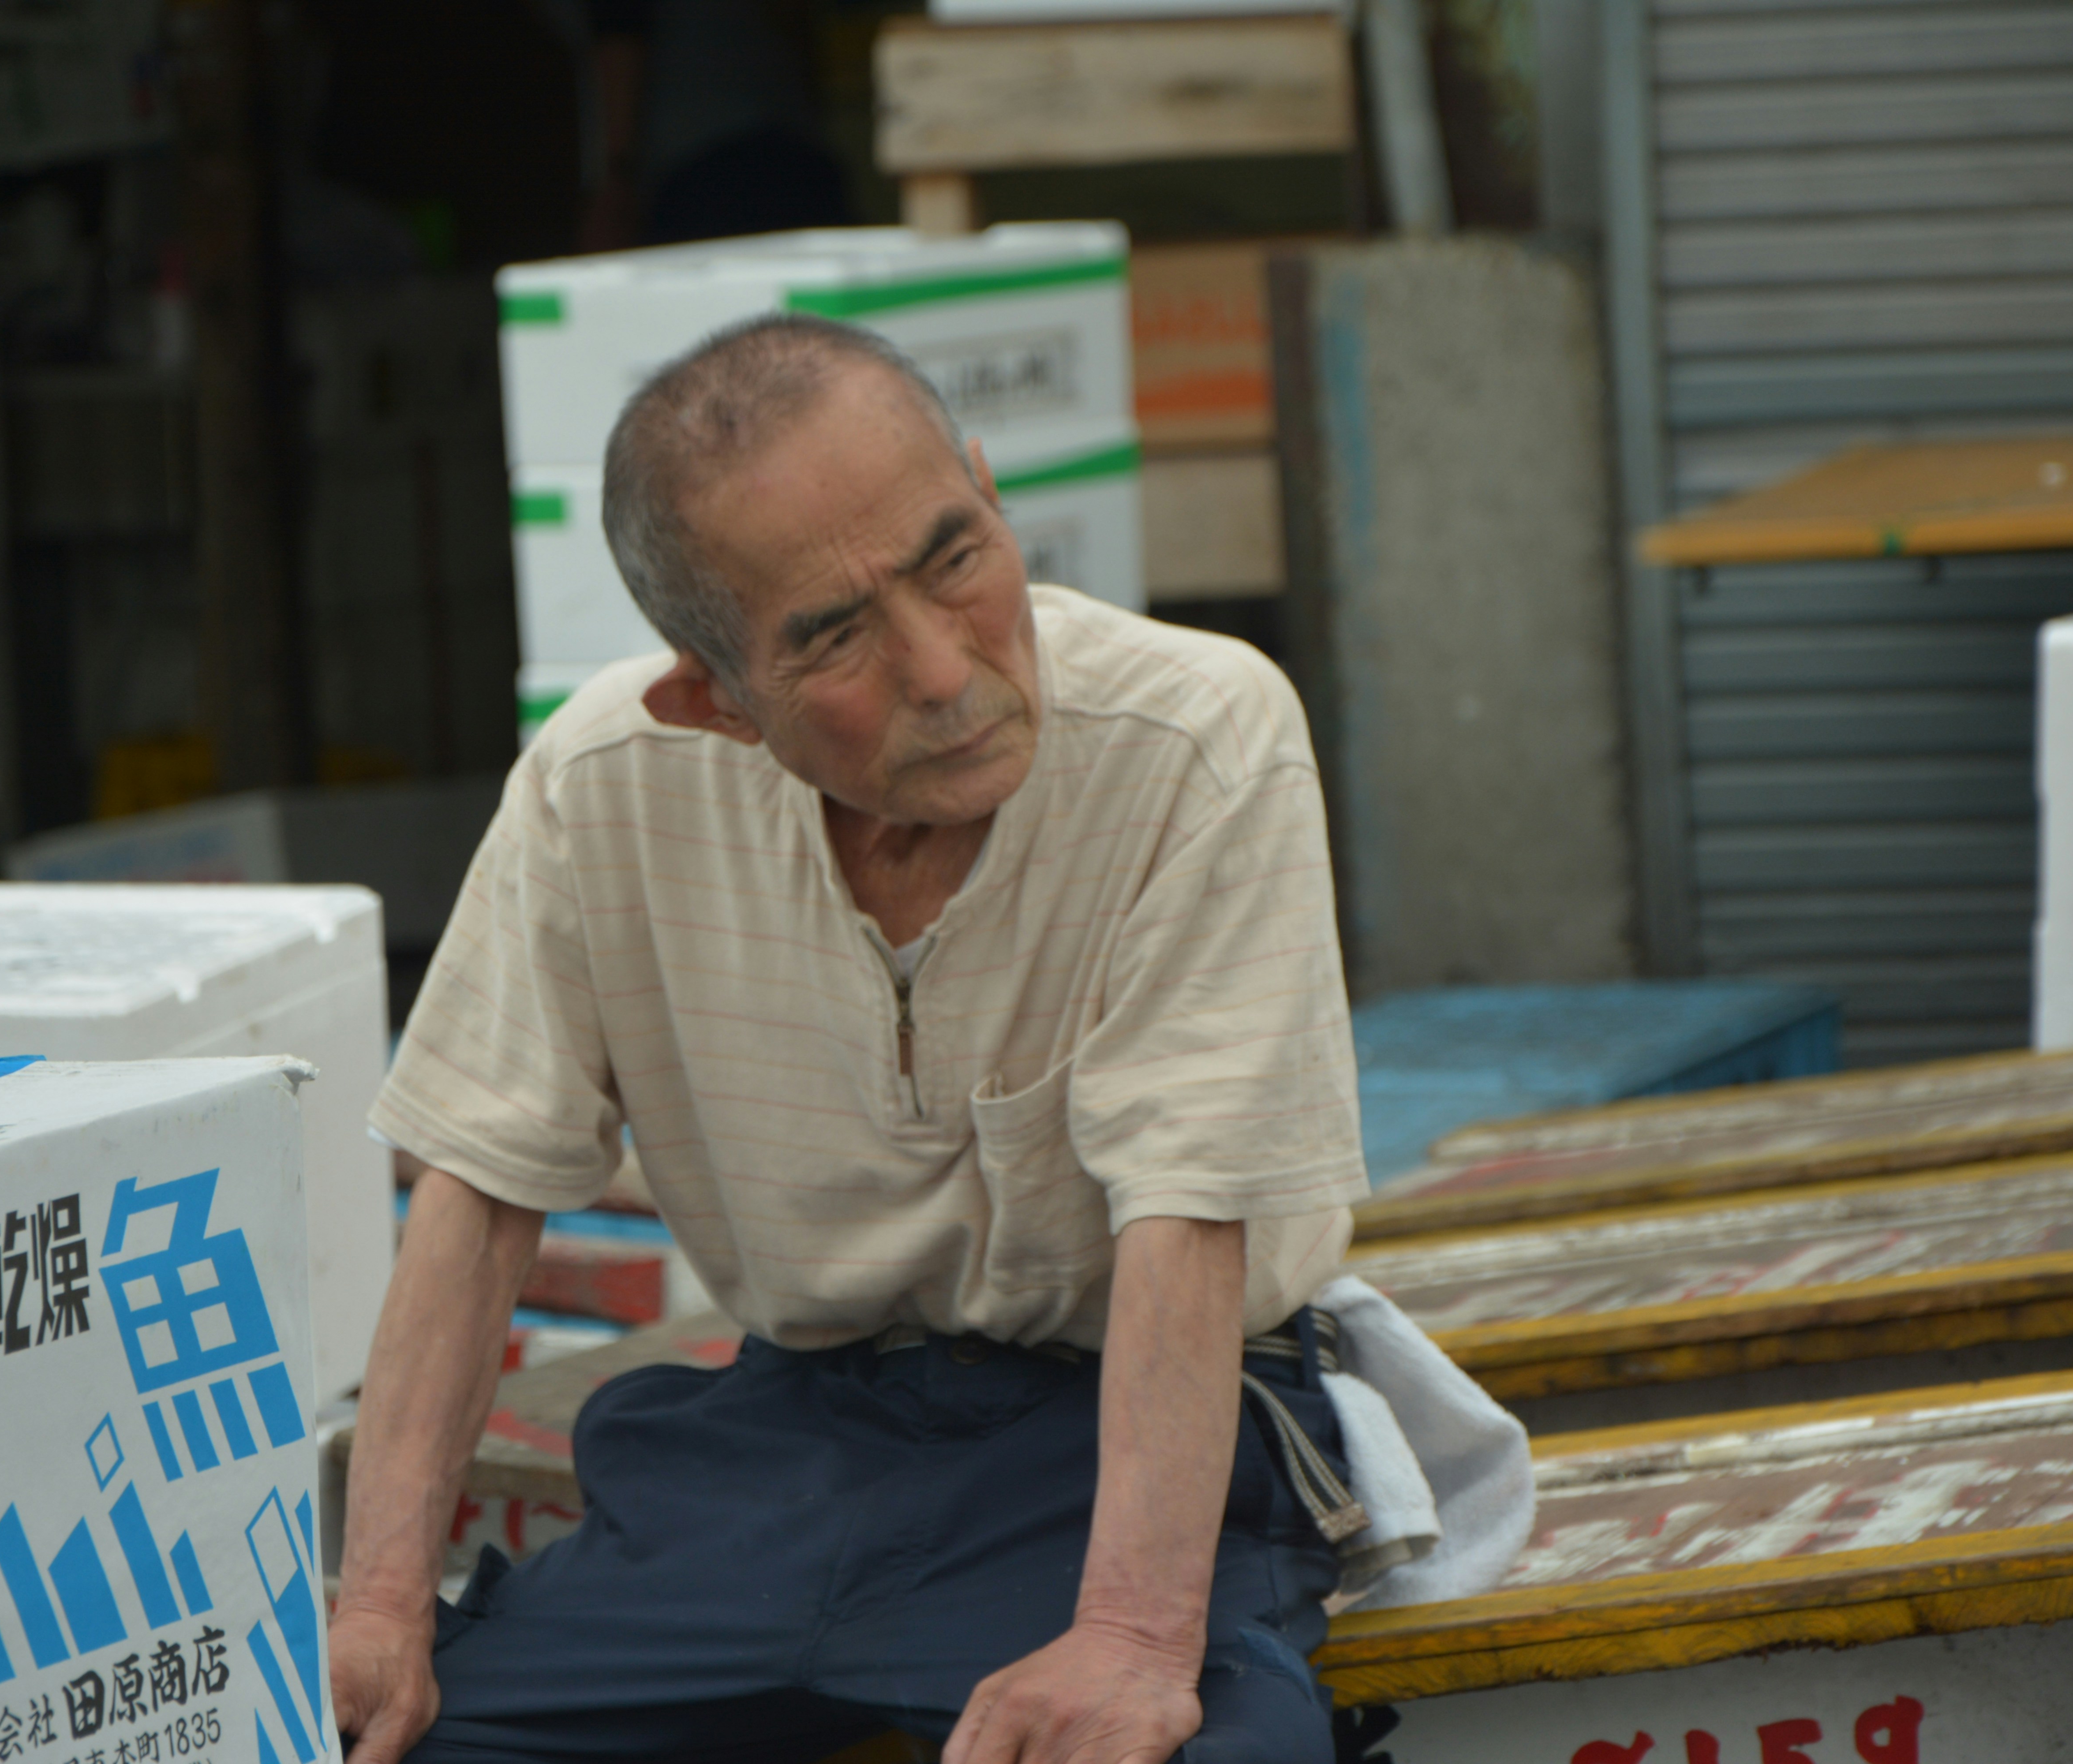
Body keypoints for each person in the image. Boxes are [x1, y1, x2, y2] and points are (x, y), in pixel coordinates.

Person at [330, 312, 1369, 1764]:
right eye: (831, 637)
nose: (944, 672)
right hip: (791, 1446)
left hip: (1110, 1445)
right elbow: (479, 1186)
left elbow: (1187, 1212)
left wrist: (1131, 1639)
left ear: (996, 498)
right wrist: (378, 1602)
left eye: (956, 559)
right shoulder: (601, 784)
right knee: (395, 1741)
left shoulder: (1198, 738)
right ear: (717, 699)